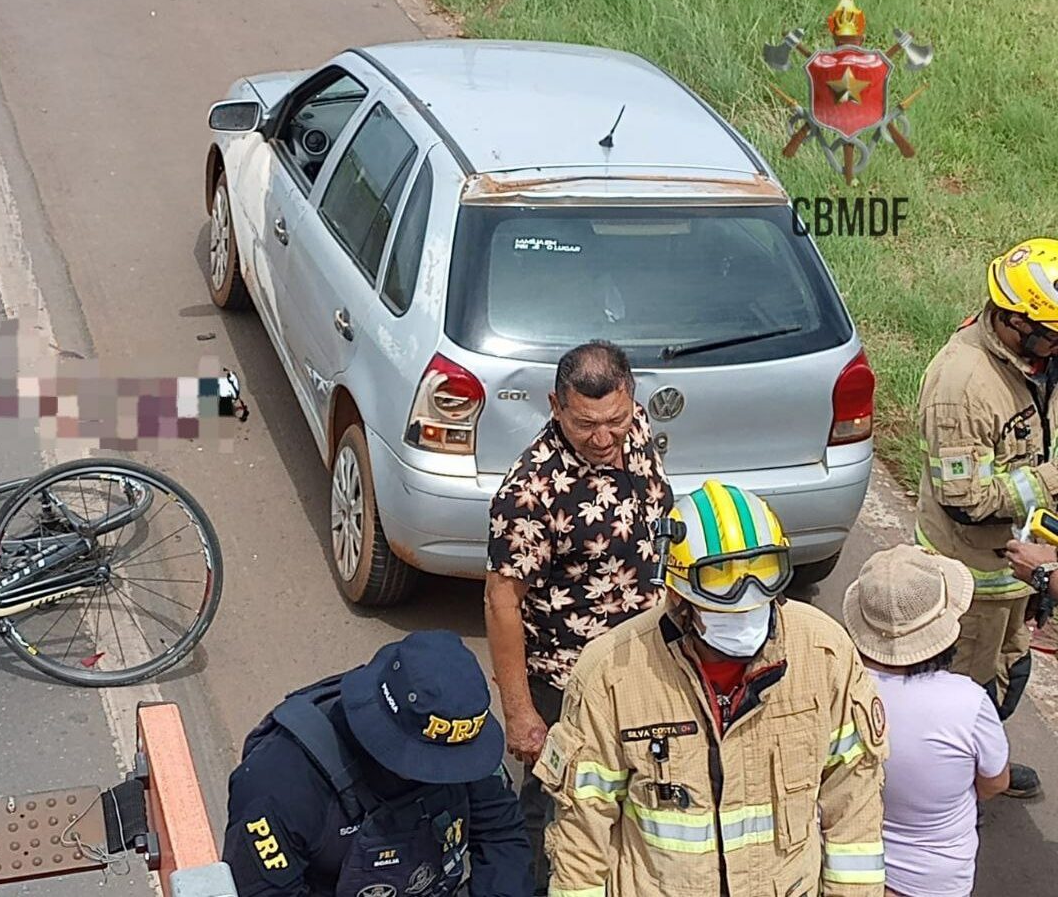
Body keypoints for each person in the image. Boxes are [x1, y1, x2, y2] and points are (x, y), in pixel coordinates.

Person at [536, 480, 887, 897]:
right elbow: (582, 836)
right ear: (676, 593)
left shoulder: (825, 655)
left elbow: (854, 809)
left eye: (759, 591)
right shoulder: (611, 675)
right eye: (723, 597)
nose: (745, 611)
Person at [482, 340, 670, 894]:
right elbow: (501, 601)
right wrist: (519, 713)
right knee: (555, 809)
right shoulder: (530, 492)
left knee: (636, 794)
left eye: (615, 419)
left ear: (631, 399)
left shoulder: (631, 436)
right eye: (586, 425)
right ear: (555, 406)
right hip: (568, 686)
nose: (604, 438)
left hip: (644, 666)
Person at [221, 630, 532, 897]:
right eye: (432, 764)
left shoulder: (458, 739)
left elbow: (501, 834)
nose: (443, 775)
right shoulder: (279, 785)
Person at [913, 235, 1058, 799]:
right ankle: (953, 800)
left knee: (1011, 675)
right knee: (964, 696)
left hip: (1018, 576)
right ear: (1015, 323)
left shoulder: (1031, 361)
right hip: (973, 581)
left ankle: (981, 768)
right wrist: (1050, 482)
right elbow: (964, 499)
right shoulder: (962, 386)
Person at [842, 544, 1010, 897]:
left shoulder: (836, 686)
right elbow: (995, 783)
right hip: (935, 880)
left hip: (848, 863)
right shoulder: (968, 703)